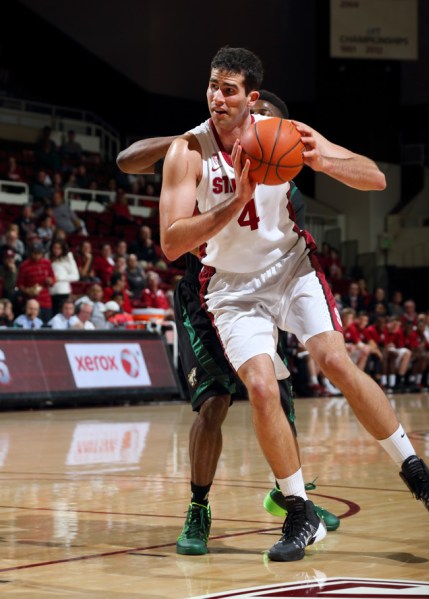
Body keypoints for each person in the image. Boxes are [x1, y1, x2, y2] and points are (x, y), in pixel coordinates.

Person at [157, 46, 429, 562]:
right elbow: (172, 242)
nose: (216, 97)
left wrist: (321, 157)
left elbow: (374, 178)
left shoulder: (281, 132)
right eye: (212, 86)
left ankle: (417, 473)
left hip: (291, 269)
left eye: (228, 89)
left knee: (336, 360)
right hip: (231, 286)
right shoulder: (188, 151)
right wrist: (236, 201)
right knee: (263, 388)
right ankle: (297, 510)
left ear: (253, 98)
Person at [117, 86, 341, 556]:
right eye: (248, 115)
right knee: (214, 404)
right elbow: (127, 159)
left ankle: (290, 497)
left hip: (254, 293)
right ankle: (198, 508)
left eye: (262, 122)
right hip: (205, 295)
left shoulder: (284, 189)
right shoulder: (198, 151)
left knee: (276, 395)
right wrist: (188, 141)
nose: (249, 124)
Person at [17, 241, 55, 323]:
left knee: (46, 326)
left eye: (39, 253)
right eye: (35, 253)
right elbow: (19, 285)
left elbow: (53, 278)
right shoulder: (24, 266)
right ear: (31, 253)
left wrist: (50, 281)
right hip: (31, 302)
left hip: (46, 301)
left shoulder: (47, 263)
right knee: (32, 325)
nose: (37, 256)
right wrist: (28, 291)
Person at [48, 238, 80, 315]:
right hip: (49, 292)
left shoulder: (68, 257)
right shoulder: (48, 257)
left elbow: (76, 276)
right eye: (54, 248)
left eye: (59, 248)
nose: (56, 250)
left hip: (63, 292)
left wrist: (59, 278)